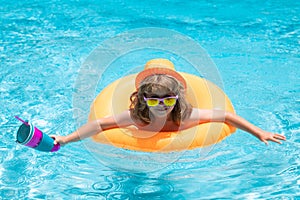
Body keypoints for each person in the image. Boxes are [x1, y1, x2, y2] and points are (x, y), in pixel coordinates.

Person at [52, 59, 286, 146]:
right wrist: (66, 139)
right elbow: (100, 124)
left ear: (177, 99)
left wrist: (259, 133)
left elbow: (225, 116)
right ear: (144, 100)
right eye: (153, 100)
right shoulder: (136, 117)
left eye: (168, 99)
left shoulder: (186, 116)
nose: (161, 105)